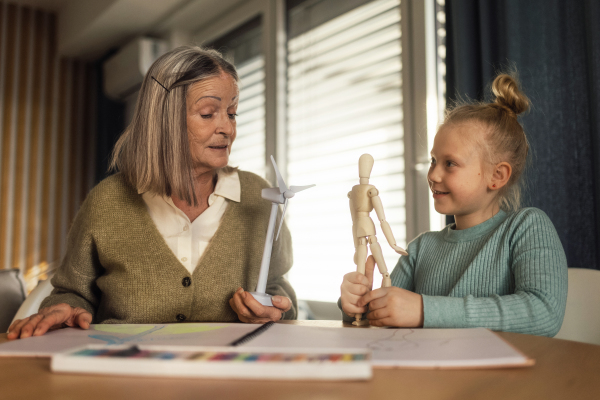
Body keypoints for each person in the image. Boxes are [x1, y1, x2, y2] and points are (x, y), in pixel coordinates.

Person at [8, 46, 296, 340]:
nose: (227, 128)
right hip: (123, 373)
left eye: (232, 113)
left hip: (225, 374)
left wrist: (276, 308)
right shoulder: (107, 201)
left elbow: (277, 287)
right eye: (209, 113)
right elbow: (73, 293)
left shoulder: (259, 197)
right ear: (165, 119)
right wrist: (65, 307)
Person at [340, 72, 568, 337]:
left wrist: (425, 311)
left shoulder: (526, 227)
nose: (433, 175)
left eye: (450, 163)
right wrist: (358, 305)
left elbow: (543, 313)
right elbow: (383, 319)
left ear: (497, 176)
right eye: (433, 161)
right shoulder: (420, 249)